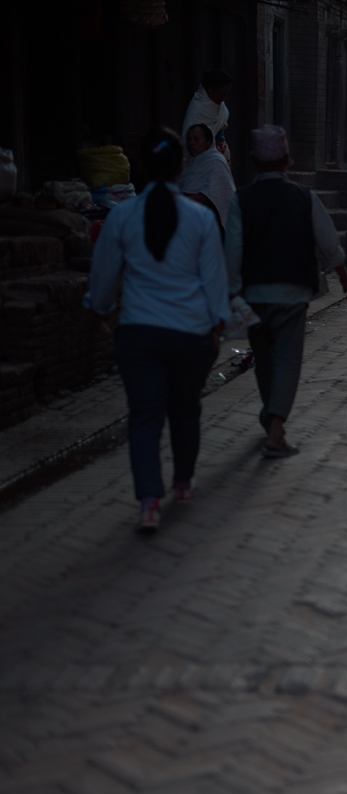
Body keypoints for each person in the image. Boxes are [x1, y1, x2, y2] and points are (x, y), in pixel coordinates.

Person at [85, 127, 230, 531]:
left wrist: (98, 311)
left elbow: (104, 277)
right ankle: (183, 481)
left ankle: (149, 501)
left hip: (140, 334)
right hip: (190, 334)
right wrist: (218, 327)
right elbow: (214, 281)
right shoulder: (200, 219)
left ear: (142, 167)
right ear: (182, 166)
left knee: (145, 417)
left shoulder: (122, 217)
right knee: (186, 409)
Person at [225, 125, 347, 459]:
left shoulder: (240, 200)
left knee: (266, 362)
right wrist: (344, 277)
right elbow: (329, 242)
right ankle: (275, 429)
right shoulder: (303, 197)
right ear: (286, 161)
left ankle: (271, 415)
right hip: (292, 294)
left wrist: (230, 293)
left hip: (253, 296)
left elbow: (232, 253)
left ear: (254, 160)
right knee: (287, 361)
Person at [178, 123, 235, 235]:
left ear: (208, 142)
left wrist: (180, 201)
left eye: (196, 139)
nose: (191, 143)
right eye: (189, 139)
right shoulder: (188, 164)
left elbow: (211, 194)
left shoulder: (216, 161)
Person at [182, 69, 232, 165]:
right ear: (210, 89)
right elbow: (187, 144)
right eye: (222, 94)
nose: (224, 98)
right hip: (203, 162)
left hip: (219, 159)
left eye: (227, 93)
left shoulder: (220, 106)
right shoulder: (196, 109)